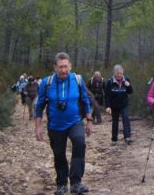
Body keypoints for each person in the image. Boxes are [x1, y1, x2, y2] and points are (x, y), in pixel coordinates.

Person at [35, 52, 93, 195]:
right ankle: (61, 184)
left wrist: (89, 120)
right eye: (60, 67)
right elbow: (39, 105)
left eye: (66, 66)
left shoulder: (78, 80)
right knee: (59, 154)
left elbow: (85, 100)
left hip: (75, 121)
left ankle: (76, 182)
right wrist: (38, 127)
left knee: (80, 143)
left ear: (70, 66)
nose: (63, 70)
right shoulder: (46, 83)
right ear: (55, 67)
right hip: (55, 125)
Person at [105, 64, 133, 145]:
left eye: (121, 73)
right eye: (118, 73)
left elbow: (130, 91)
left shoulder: (126, 79)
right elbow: (107, 96)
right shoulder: (110, 81)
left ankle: (127, 137)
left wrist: (128, 86)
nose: (119, 75)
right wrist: (108, 106)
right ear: (114, 73)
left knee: (125, 119)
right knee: (115, 122)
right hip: (114, 106)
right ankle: (114, 139)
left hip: (124, 104)